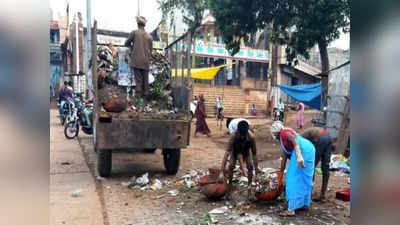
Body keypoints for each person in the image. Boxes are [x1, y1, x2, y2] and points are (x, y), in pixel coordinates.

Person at [270, 121, 315, 216]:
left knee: (291, 177)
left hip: (302, 150)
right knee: (304, 177)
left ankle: (291, 209)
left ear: (276, 133)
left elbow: (293, 140)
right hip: (309, 148)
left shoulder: (284, 133)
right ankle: (304, 204)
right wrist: (280, 174)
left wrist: (299, 156)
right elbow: (285, 156)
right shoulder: (284, 137)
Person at [219, 121, 259, 201]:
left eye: (244, 135)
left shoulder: (251, 138)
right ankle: (229, 189)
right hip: (235, 151)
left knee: (250, 166)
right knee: (231, 166)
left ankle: (249, 189)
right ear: (238, 131)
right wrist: (221, 171)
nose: (242, 137)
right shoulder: (233, 136)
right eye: (241, 135)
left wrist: (257, 171)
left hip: (246, 151)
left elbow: (254, 155)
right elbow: (227, 153)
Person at [124, 16, 153, 98]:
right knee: (145, 80)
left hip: (136, 60)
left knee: (138, 80)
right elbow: (151, 50)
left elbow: (126, 43)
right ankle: (146, 98)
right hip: (146, 61)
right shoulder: (149, 36)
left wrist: (133, 47)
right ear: (144, 25)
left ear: (137, 24)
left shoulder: (134, 33)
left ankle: (138, 98)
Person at [301, 127, 332, 202]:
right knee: (325, 167)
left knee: (311, 167)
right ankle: (322, 195)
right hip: (327, 135)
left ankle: (308, 195)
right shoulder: (304, 135)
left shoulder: (300, 138)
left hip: (320, 137)